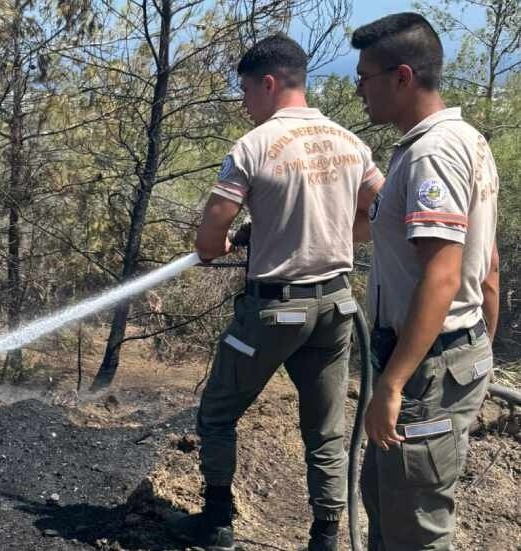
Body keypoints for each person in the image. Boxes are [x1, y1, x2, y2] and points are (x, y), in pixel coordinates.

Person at [171, 35, 384, 551]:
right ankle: (326, 537)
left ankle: (218, 523)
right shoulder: (351, 142)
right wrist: (333, 236)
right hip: (335, 306)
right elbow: (378, 211)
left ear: (269, 84)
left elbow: (207, 243)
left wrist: (231, 240)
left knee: (218, 411)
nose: (245, 104)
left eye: (246, 91)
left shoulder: (253, 146)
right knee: (327, 431)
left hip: (273, 310)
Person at [351, 13, 499, 550]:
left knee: (415, 523)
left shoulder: (431, 154)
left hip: (426, 366)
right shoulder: (465, 140)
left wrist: (393, 383)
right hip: (447, 356)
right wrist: (477, 353)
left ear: (403, 76)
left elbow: (442, 274)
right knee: (388, 499)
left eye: (364, 77)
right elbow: (488, 263)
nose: (359, 90)